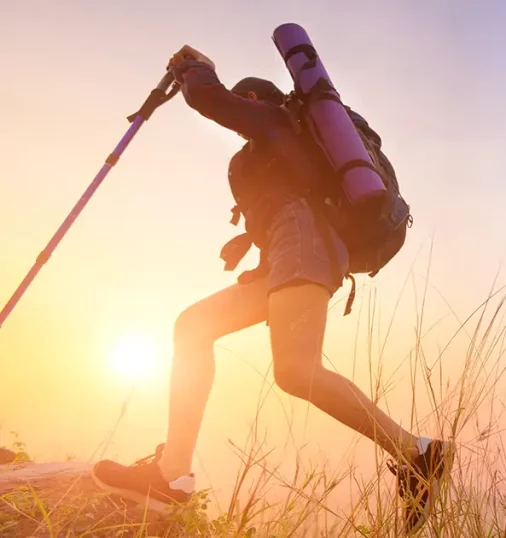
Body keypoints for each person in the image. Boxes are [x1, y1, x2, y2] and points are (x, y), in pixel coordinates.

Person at [90, 45, 450, 534]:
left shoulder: (278, 119)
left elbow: (210, 101)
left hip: (304, 239)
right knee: (193, 327)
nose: (241, 123)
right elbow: (284, 203)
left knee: (296, 370)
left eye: (247, 106)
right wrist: (253, 246)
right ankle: (171, 476)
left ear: (260, 99)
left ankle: (418, 454)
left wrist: (196, 70)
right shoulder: (275, 150)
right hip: (294, 245)